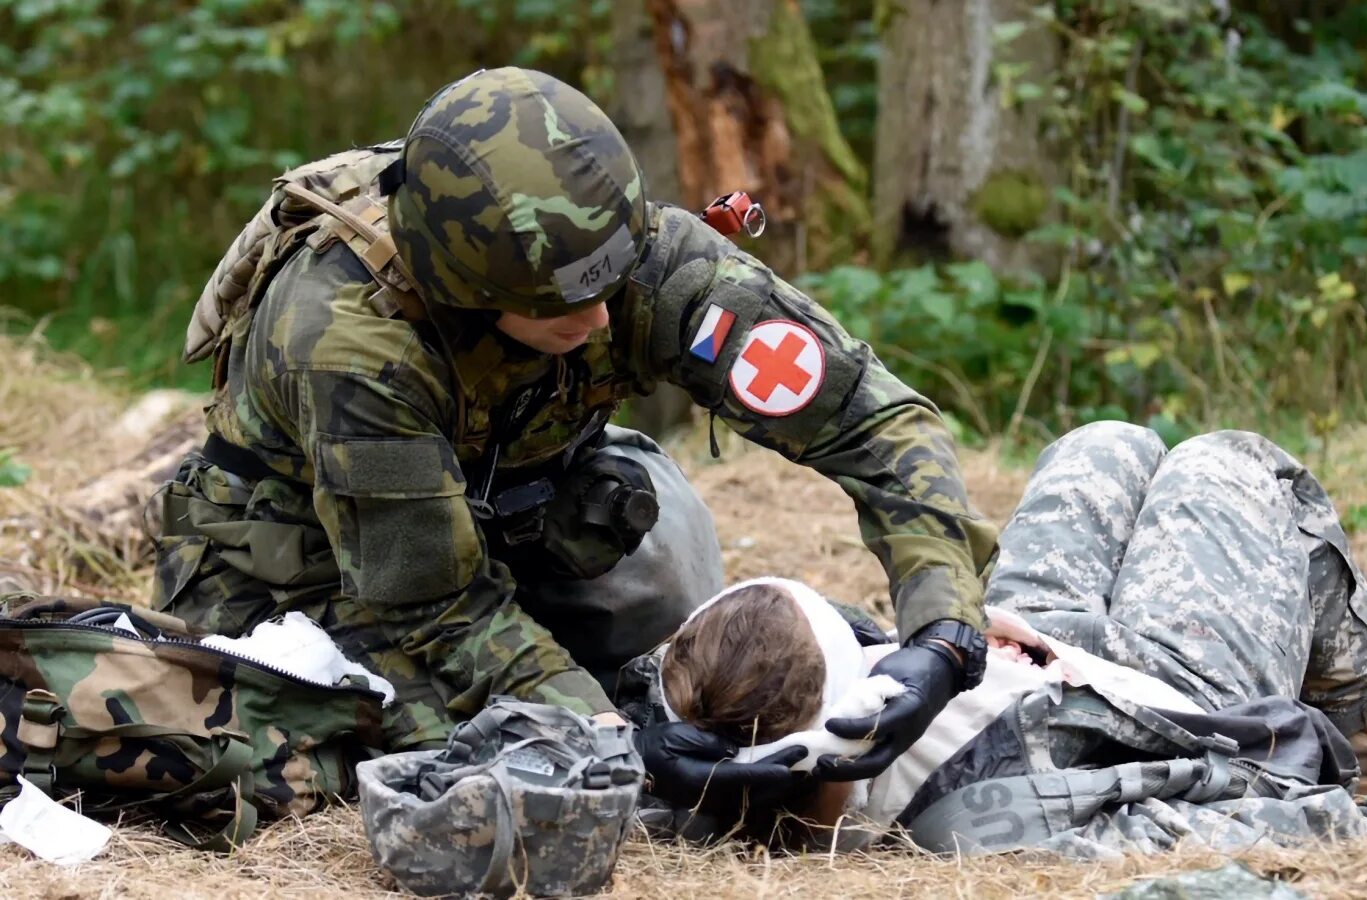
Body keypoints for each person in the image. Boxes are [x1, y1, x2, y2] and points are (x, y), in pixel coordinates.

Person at [151, 67, 997, 804]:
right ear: (465, 290)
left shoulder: (628, 254)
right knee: (457, 749)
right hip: (317, 572)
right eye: (560, 305)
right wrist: (613, 742)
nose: (597, 321)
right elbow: (432, 607)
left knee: (665, 556)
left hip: (514, 515)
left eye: (610, 285)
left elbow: (874, 420)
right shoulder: (351, 341)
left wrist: (942, 635)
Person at [621, 422, 1367, 855]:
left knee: (1106, 442)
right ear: (855, 702)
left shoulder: (702, 729)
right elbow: (1205, 811)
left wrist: (935, 645)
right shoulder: (980, 818)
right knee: (1227, 463)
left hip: (1024, 659)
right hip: (1151, 699)